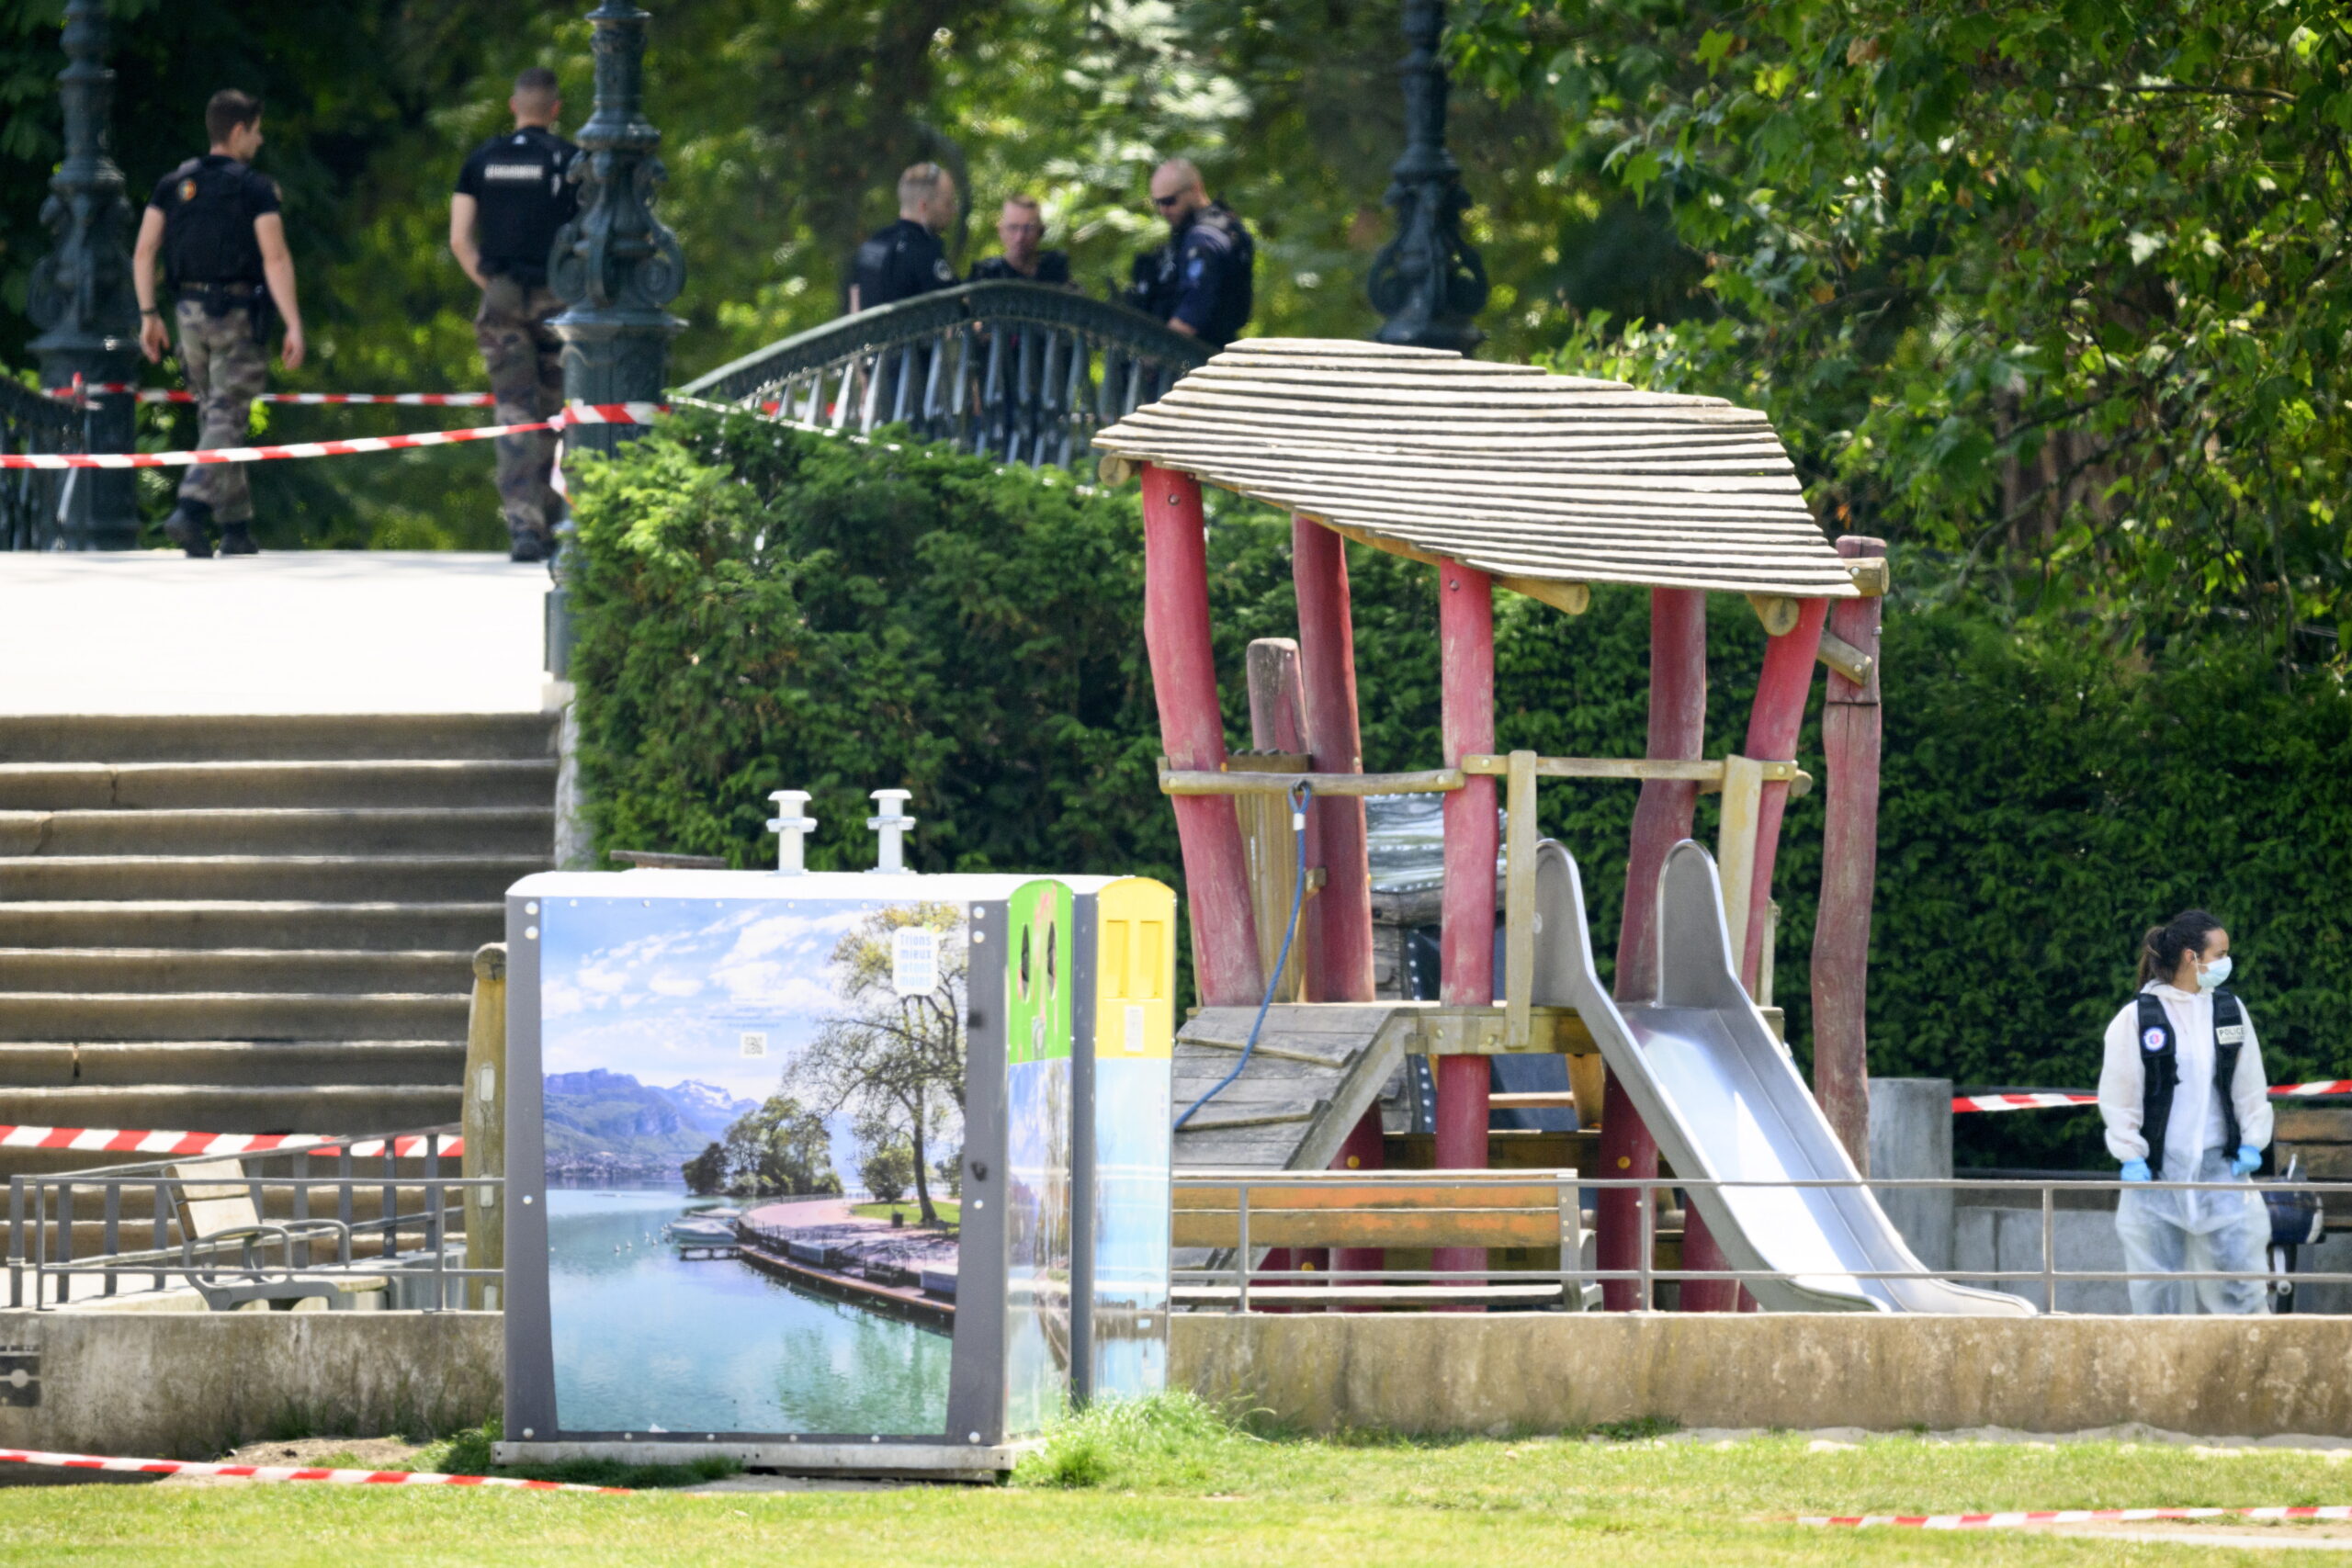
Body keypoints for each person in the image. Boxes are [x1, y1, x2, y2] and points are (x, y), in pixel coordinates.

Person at [132, 89, 306, 558]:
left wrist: (149, 315)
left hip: (187, 314)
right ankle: (190, 508)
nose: (261, 138)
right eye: (256, 130)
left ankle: (235, 527)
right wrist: (293, 322)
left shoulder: (174, 184)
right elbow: (275, 256)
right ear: (237, 131)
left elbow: (145, 251)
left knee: (217, 415)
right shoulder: (255, 187)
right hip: (236, 313)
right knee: (227, 415)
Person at [2097, 908, 2274, 1314]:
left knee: (2241, 1288)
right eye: (2221, 953)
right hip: (2157, 1177)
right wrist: (2131, 1155)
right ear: (2192, 957)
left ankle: (2248, 1372)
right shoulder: (2138, 1019)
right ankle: (2162, 1376)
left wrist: (2252, 1142)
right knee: (2158, 1295)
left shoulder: (2229, 1012)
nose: (2226, 962)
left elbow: (2248, 1084)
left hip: (2221, 1174)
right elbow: (2120, 1095)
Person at [451, 67, 579, 562]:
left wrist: (491, 285)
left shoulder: (483, 159)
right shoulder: (570, 160)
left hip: (504, 296)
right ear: (555, 109)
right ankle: (551, 521)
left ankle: (523, 527)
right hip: (558, 300)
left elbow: (460, 238)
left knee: (514, 413)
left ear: (513, 105)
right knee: (556, 412)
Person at [1124, 157, 1253, 349]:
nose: (1163, 210)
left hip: (1193, 358)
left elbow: (1193, 312)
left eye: (1169, 201)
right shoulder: (1216, 227)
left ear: (1195, 189)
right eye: (1157, 203)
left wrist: (1153, 357)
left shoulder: (1204, 241)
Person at [848, 163, 958, 313]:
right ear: (923, 207)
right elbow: (951, 312)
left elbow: (854, 305)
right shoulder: (925, 250)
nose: (954, 211)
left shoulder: (872, 245)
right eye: (948, 203)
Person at [968, 196, 1069, 285]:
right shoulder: (986, 274)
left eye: (1028, 229)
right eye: (1013, 228)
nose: (1020, 237)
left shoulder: (1055, 270)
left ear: (1041, 231)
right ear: (1000, 230)